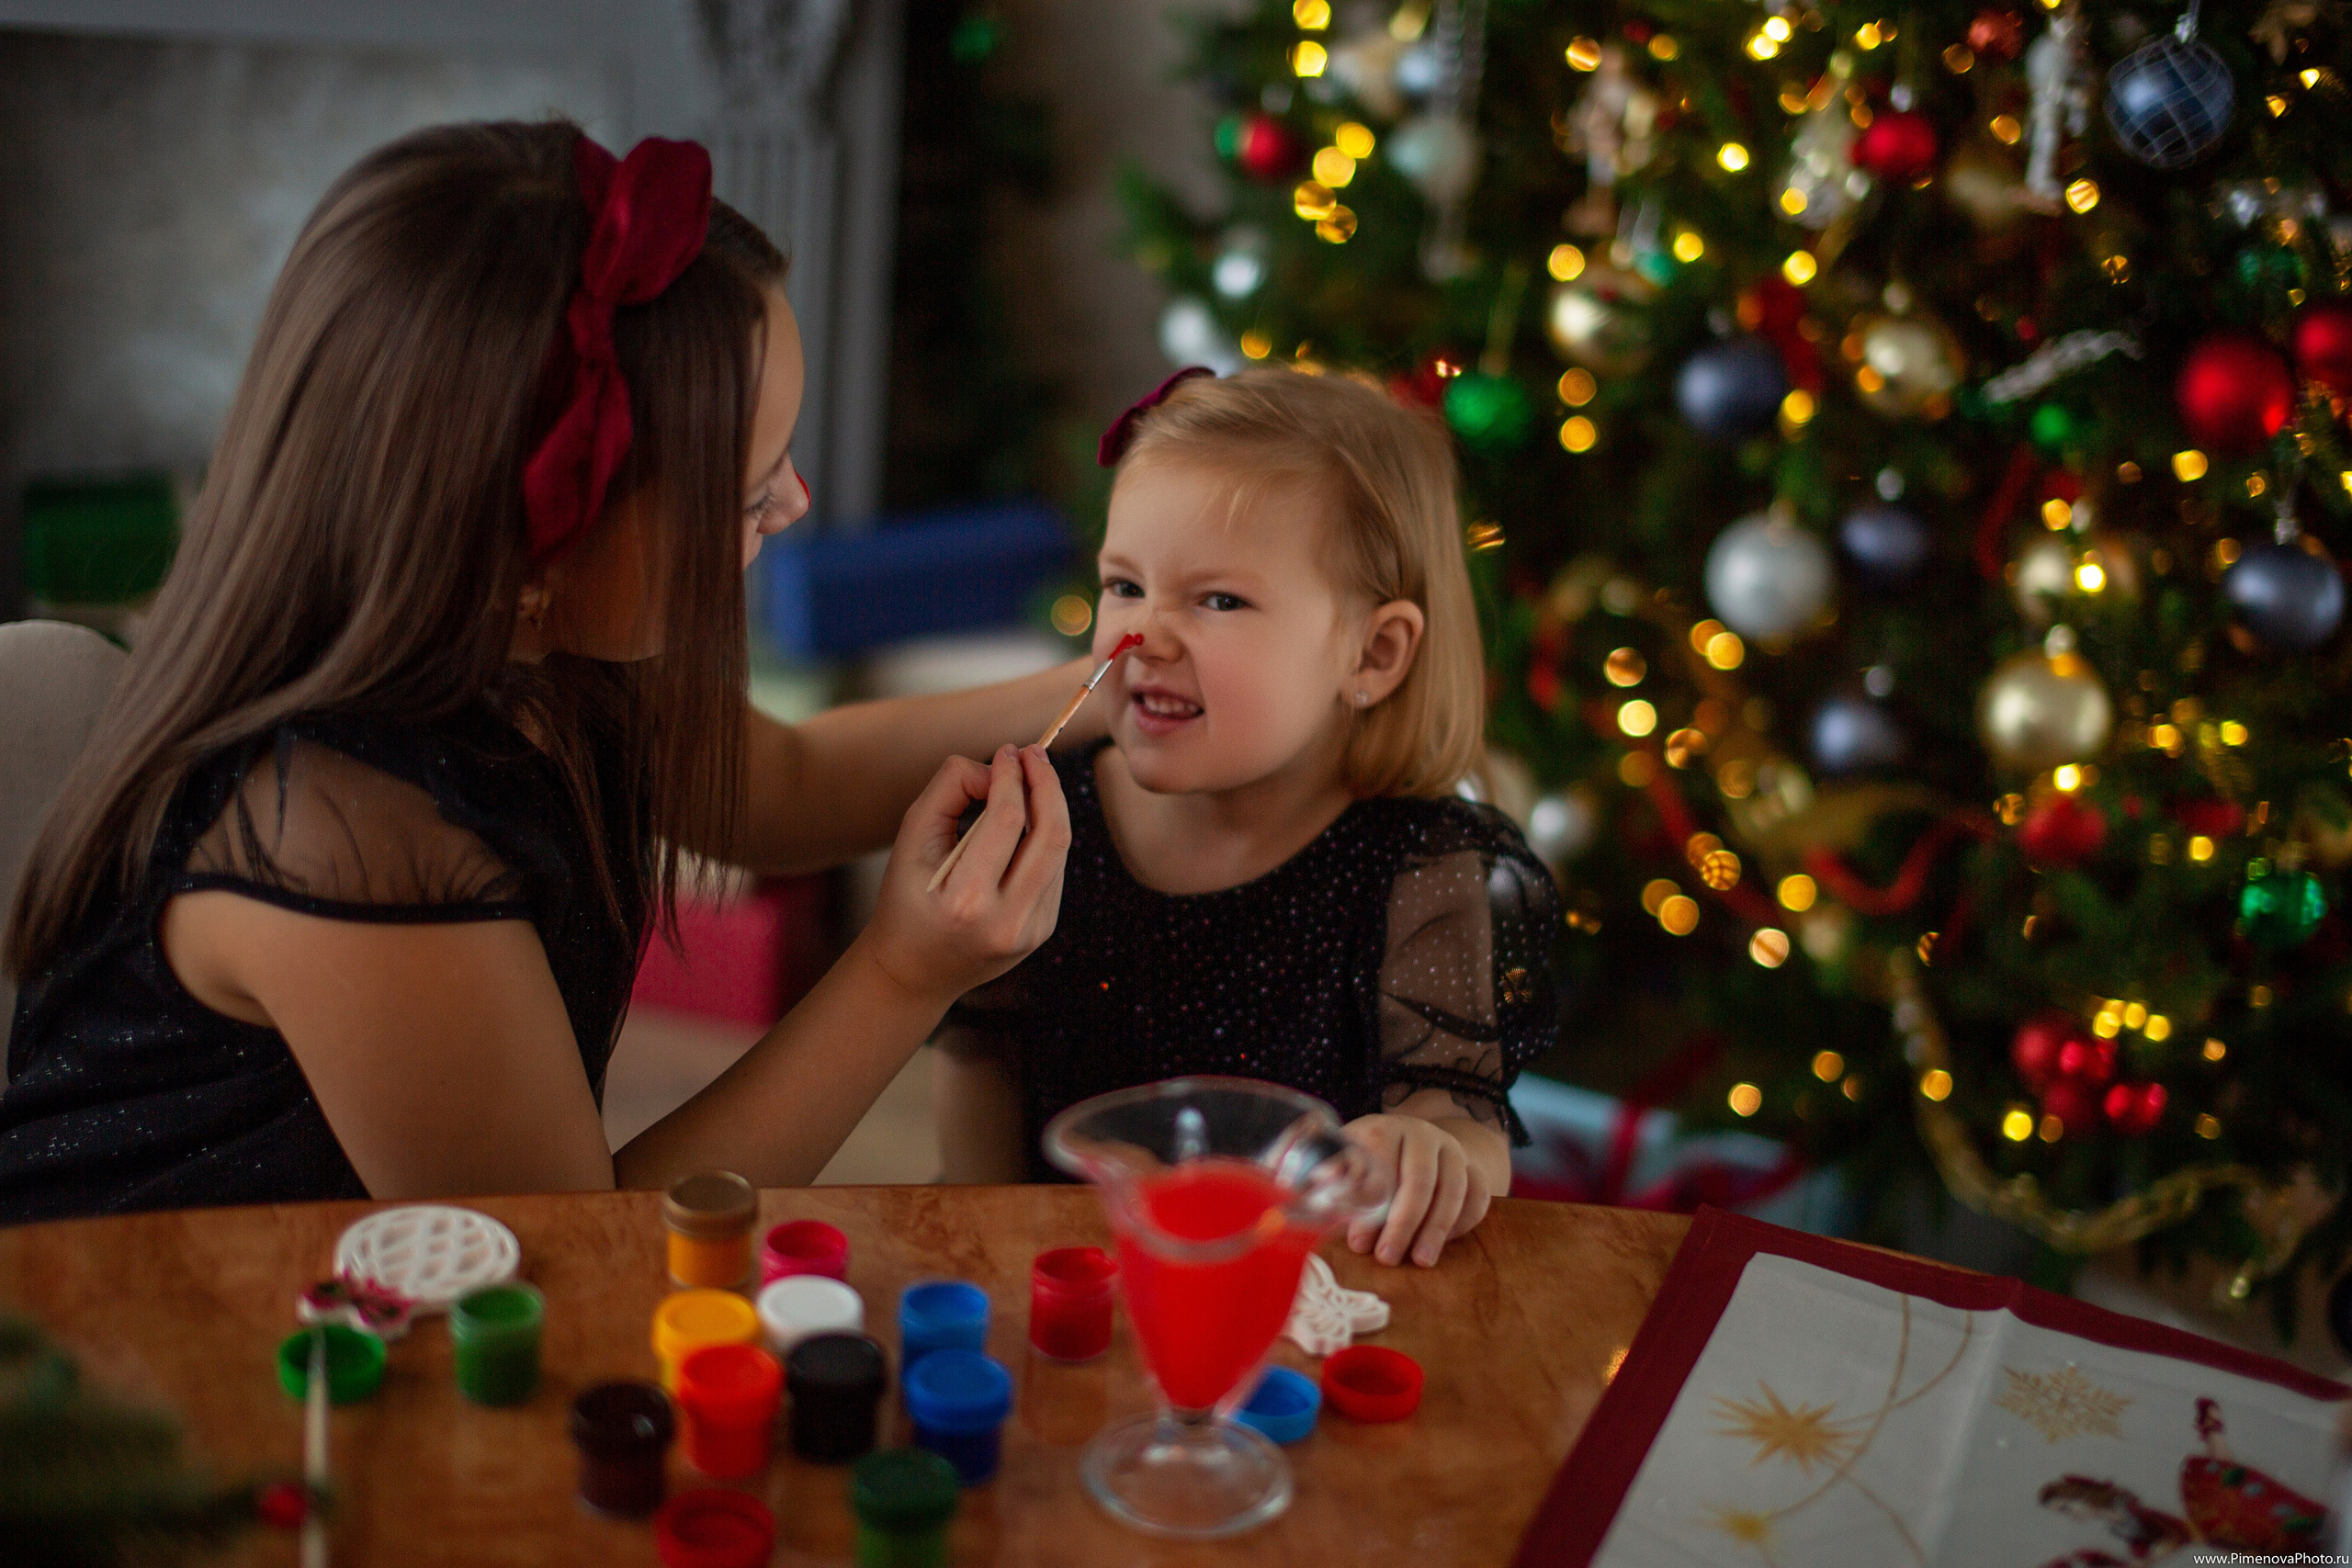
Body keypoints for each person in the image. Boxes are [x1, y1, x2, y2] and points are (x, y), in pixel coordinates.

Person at [0, 122, 1083, 1223]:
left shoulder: (543, 644)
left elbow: (790, 783)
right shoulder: (342, 826)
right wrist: (904, 972)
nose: (796, 505)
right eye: (748, 490)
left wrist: (1097, 695)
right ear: (535, 549)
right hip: (147, 1313)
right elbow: (573, 1243)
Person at [934, 367, 1560, 1268]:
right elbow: (980, 1055)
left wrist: (1434, 1149)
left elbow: (1460, 1115)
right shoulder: (1047, 817)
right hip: (1070, 1280)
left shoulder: (1425, 869)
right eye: (1124, 586)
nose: (1141, 635)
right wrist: (989, 1241)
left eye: (1219, 600)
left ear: (1373, 654)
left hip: (1297, 1300)